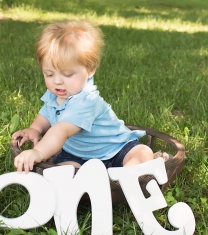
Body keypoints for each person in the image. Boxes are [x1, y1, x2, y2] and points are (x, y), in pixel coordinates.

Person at [12, 20, 153, 173]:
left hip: (116, 149)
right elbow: (46, 114)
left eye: (67, 74)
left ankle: (120, 177)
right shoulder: (56, 95)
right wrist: (35, 129)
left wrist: (38, 152)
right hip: (77, 156)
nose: (58, 81)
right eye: (49, 74)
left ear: (90, 69)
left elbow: (61, 130)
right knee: (58, 172)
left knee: (143, 153)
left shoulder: (87, 101)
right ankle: (97, 180)